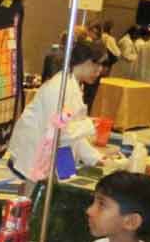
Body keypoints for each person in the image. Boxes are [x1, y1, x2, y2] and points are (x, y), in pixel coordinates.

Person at [9, 38, 106, 189]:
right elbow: (58, 132)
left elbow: (71, 134)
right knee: (32, 197)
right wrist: (89, 125)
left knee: (51, 190)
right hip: (37, 149)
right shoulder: (60, 88)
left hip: (54, 150)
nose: (99, 70)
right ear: (86, 62)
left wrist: (94, 157)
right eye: (97, 65)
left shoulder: (74, 85)